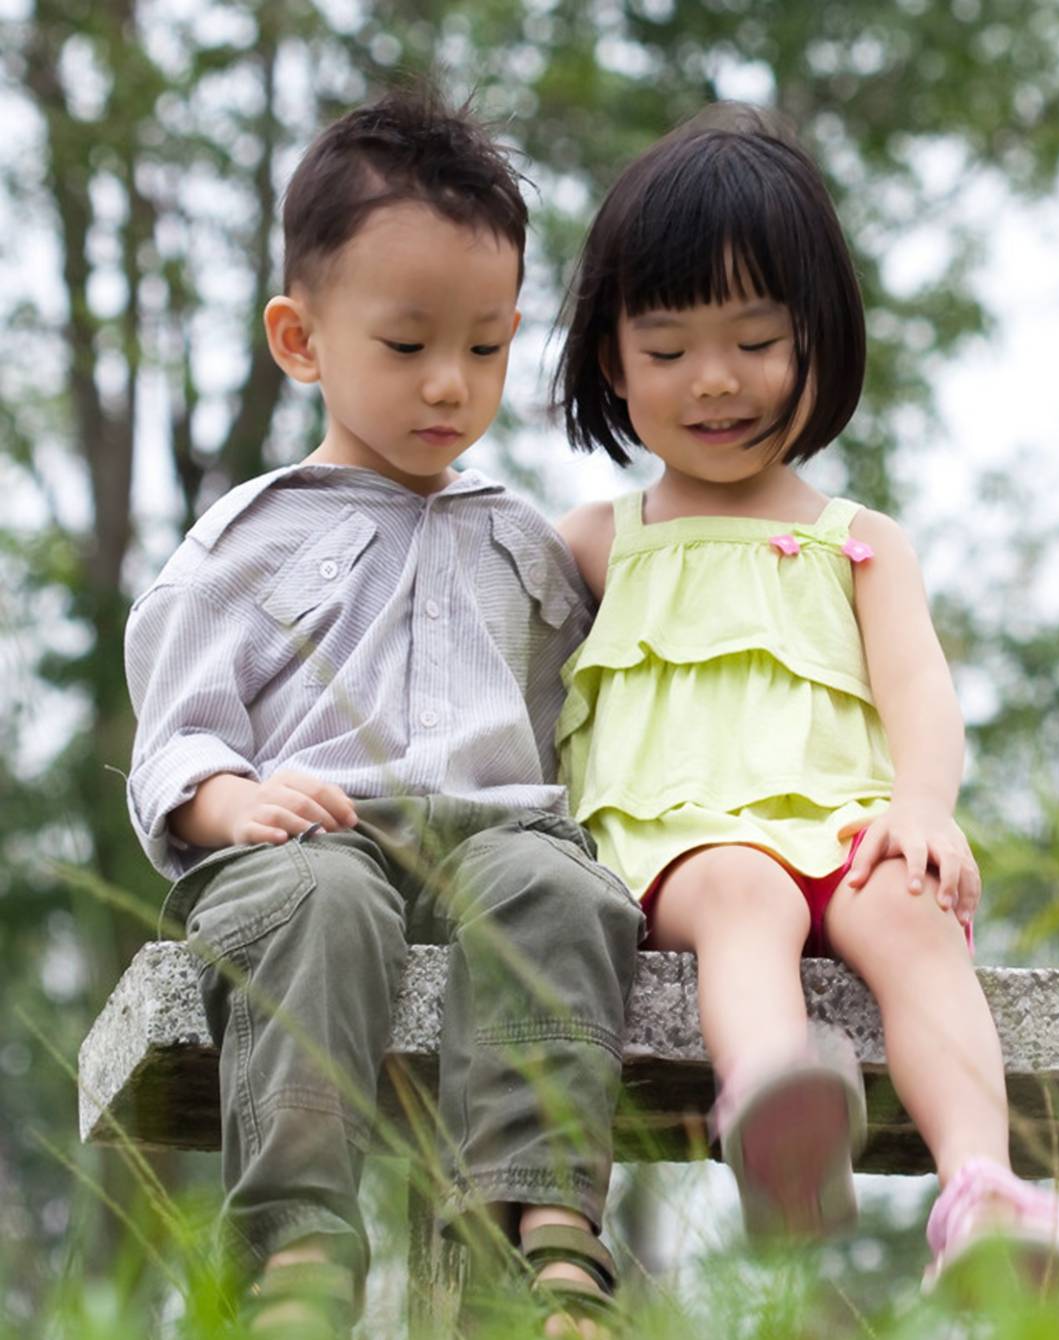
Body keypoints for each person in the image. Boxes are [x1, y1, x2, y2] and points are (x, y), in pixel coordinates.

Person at [123, 90, 641, 1338]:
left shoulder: (523, 538)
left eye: (487, 344)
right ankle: (300, 1243)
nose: (450, 385)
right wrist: (231, 797)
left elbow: (572, 722)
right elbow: (176, 734)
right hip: (305, 842)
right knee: (325, 902)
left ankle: (548, 1224)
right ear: (300, 340)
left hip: (491, 832)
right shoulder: (242, 542)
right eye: (406, 346)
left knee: (563, 891)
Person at [551, 102, 1059, 1291]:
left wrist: (924, 808)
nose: (716, 381)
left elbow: (917, 688)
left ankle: (981, 1186)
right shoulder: (596, 543)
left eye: (755, 338)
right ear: (610, 359)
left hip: (842, 822)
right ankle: (779, 1107)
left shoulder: (859, 540)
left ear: (817, 341)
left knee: (909, 915)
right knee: (743, 889)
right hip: (679, 841)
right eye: (669, 346)